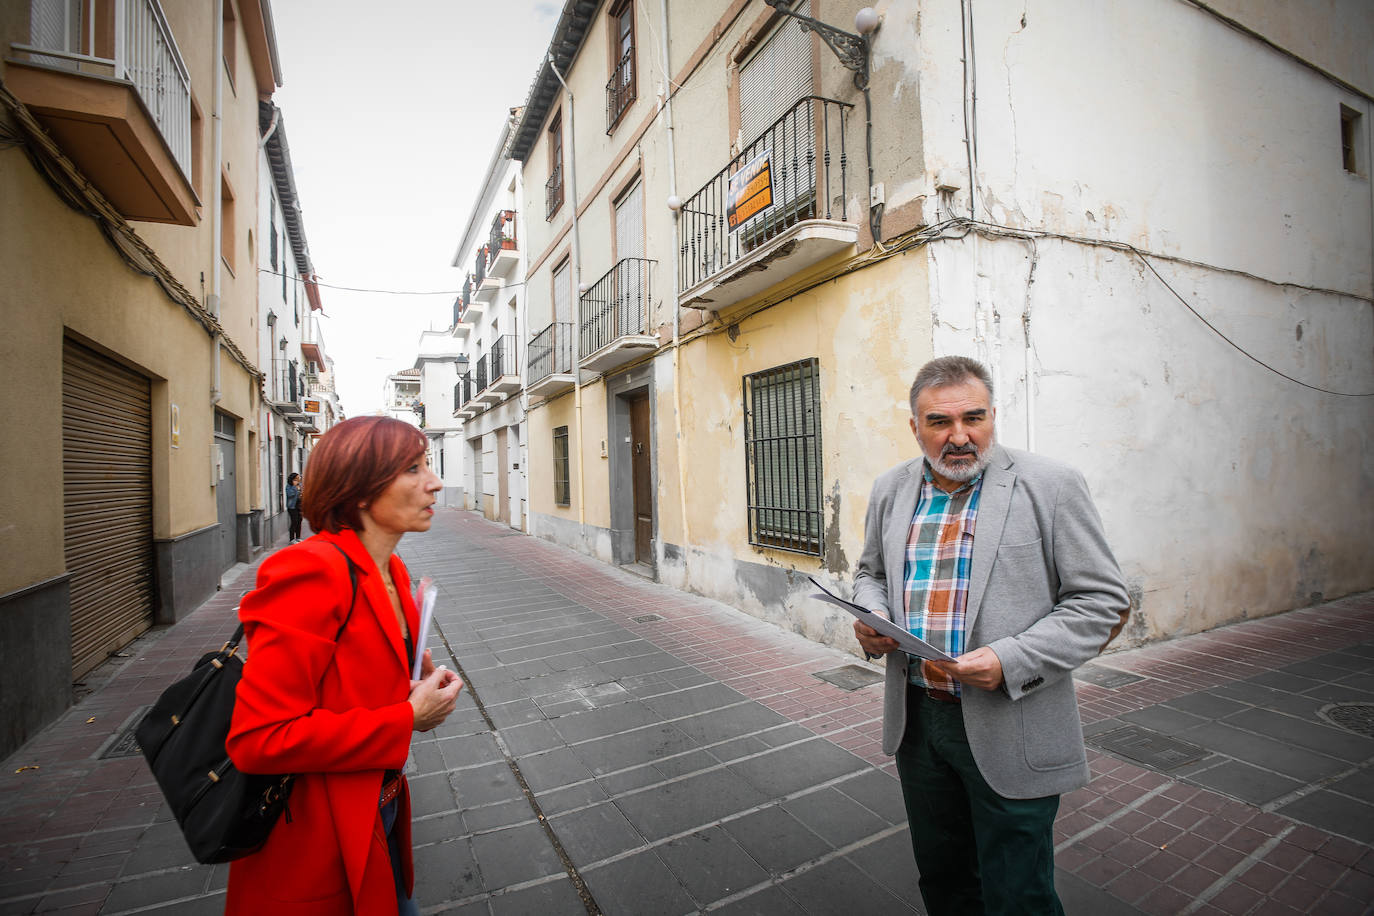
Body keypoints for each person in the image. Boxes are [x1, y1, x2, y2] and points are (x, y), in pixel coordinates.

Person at [853, 356, 1129, 915]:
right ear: (915, 427)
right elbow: (870, 574)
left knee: (1017, 893)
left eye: (973, 418)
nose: (960, 437)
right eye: (939, 423)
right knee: (944, 876)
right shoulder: (890, 489)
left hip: (1012, 719)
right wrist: (870, 617)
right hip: (918, 722)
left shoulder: (1051, 485)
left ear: (994, 416)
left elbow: (1103, 602)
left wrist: (1009, 659)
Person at [226, 416, 463, 915]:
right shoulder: (311, 570)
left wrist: (415, 684)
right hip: (319, 835)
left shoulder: (391, 568)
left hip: (382, 810)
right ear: (359, 490)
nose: (434, 482)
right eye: (413, 469)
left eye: (429, 465)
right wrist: (406, 718)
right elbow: (258, 738)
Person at [285, 472, 303, 542]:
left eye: (299, 479)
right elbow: (290, 494)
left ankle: (298, 537)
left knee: (299, 521)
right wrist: (295, 488)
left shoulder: (299, 485)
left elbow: (301, 494)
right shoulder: (289, 486)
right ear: (292, 479)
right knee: (294, 521)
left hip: (299, 505)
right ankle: (292, 539)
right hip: (292, 506)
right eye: (296, 479)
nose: (298, 480)